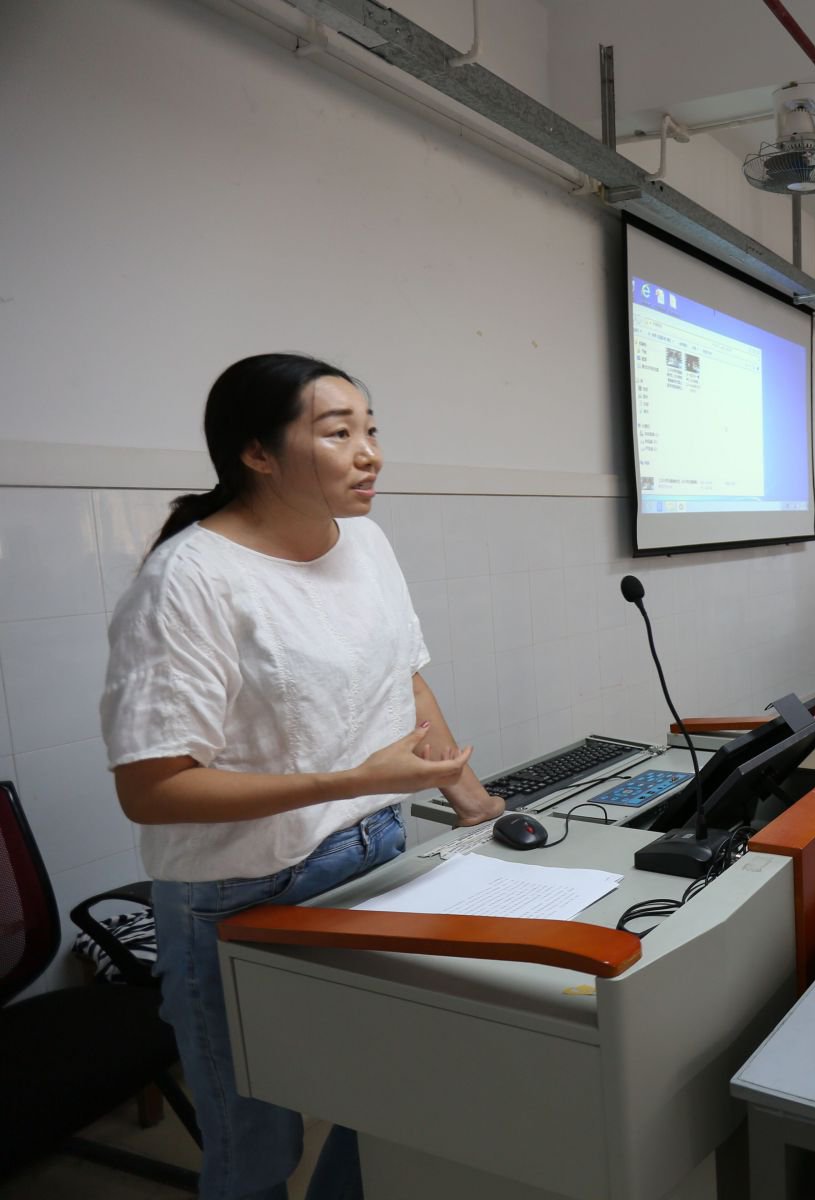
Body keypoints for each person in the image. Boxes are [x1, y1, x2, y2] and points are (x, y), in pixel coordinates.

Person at [100, 355, 505, 1199]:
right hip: (244, 891)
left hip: (377, 855)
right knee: (256, 1145)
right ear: (257, 452)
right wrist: (344, 779)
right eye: (338, 432)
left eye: (371, 429)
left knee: (389, 1099)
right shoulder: (189, 581)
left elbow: (406, 675)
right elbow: (151, 788)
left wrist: (466, 793)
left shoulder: (365, 539)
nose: (370, 454)